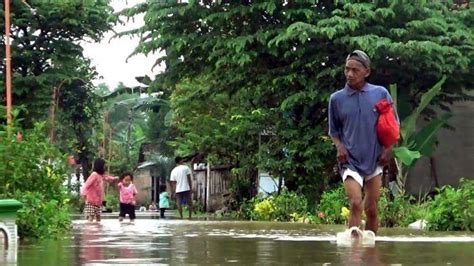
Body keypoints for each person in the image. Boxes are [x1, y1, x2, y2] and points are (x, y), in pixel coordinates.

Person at [328, 50, 397, 235]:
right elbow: (333, 131)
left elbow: (393, 125)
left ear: (366, 72)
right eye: (347, 69)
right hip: (349, 159)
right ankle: (353, 253)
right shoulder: (336, 99)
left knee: (372, 208)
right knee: (356, 203)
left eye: (355, 70)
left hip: (375, 159)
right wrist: (339, 147)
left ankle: (372, 252)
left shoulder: (380, 93)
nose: (349, 74)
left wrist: (387, 150)